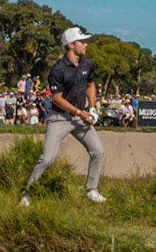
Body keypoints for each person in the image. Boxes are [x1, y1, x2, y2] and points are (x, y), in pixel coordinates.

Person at [21, 26, 105, 205]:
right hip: (59, 118)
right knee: (47, 158)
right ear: (70, 45)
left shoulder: (87, 64)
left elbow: (90, 85)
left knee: (98, 151)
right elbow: (57, 99)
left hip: (81, 117)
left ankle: (91, 190)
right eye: (82, 41)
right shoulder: (58, 69)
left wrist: (91, 108)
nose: (86, 44)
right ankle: (27, 193)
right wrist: (80, 112)